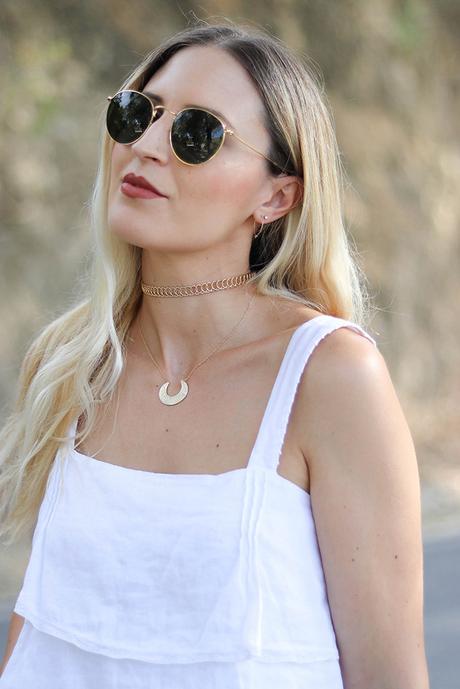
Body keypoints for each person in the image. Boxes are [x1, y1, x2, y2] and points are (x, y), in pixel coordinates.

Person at [0, 19, 429, 689]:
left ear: (276, 195)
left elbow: (389, 673)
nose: (144, 145)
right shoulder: (72, 361)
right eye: (136, 113)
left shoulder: (329, 376)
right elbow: (46, 630)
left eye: (196, 133)